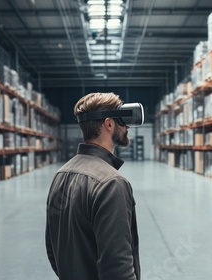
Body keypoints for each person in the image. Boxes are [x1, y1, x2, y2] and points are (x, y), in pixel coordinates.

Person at [45, 92, 141, 280]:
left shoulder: (61, 174)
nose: (127, 126)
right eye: (122, 120)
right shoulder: (112, 183)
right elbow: (117, 267)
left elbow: (52, 247)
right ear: (109, 124)